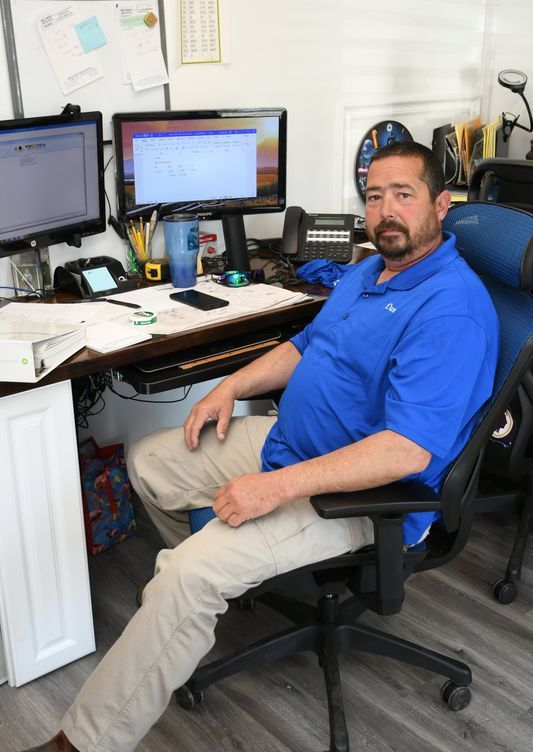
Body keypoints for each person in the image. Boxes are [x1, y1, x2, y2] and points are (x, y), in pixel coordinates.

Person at [25, 142, 500, 752]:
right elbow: (305, 345)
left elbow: (405, 452)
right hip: (289, 443)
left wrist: (272, 488)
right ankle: (207, 597)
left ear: (441, 204)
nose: (385, 210)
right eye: (374, 196)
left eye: (403, 195)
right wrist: (228, 388)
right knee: (149, 463)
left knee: (187, 577)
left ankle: (85, 739)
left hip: (359, 492)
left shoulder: (450, 312)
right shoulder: (372, 268)